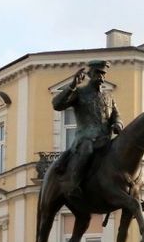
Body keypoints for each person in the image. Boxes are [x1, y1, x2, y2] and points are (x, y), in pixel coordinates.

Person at [50, 59, 122, 201]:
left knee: (123, 152)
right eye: (97, 73)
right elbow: (57, 105)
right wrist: (72, 85)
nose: (101, 77)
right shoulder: (80, 93)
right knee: (87, 149)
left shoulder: (108, 97)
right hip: (85, 138)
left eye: (103, 74)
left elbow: (116, 115)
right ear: (90, 74)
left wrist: (118, 124)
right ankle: (73, 184)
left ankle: (130, 189)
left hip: (105, 139)